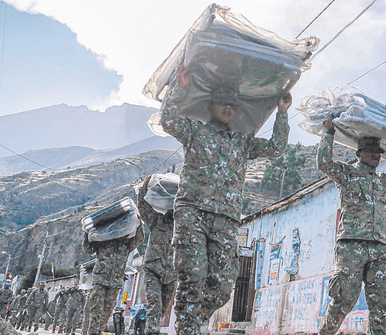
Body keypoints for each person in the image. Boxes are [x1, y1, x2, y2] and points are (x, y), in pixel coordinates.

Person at [160, 77, 292, 335]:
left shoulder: (242, 142)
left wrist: (282, 113)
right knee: (192, 277)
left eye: (233, 105)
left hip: (226, 221)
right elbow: (169, 121)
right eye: (223, 103)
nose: (229, 108)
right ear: (211, 106)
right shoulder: (195, 132)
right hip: (193, 215)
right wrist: (181, 88)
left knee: (221, 287)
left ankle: (193, 321)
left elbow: (276, 148)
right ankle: (188, 327)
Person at [316, 117, 386, 335]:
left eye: (377, 152)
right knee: (344, 298)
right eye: (369, 151)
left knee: (382, 300)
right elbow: (324, 164)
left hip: (380, 249)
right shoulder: (347, 174)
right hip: (351, 246)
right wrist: (327, 134)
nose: (375, 155)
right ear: (358, 153)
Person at [82, 224, 144, 335]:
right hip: (100, 279)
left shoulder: (127, 244)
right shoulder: (103, 240)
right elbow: (87, 249)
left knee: (108, 310)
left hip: (115, 282)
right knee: (96, 308)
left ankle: (99, 330)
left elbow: (139, 239)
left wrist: (140, 225)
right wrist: (86, 233)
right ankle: (92, 332)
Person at [136, 176, 176, 335]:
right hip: (153, 269)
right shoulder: (156, 220)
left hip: (171, 274)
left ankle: (149, 329)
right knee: (155, 306)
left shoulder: (182, 227)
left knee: (163, 309)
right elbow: (143, 207)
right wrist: (143, 189)